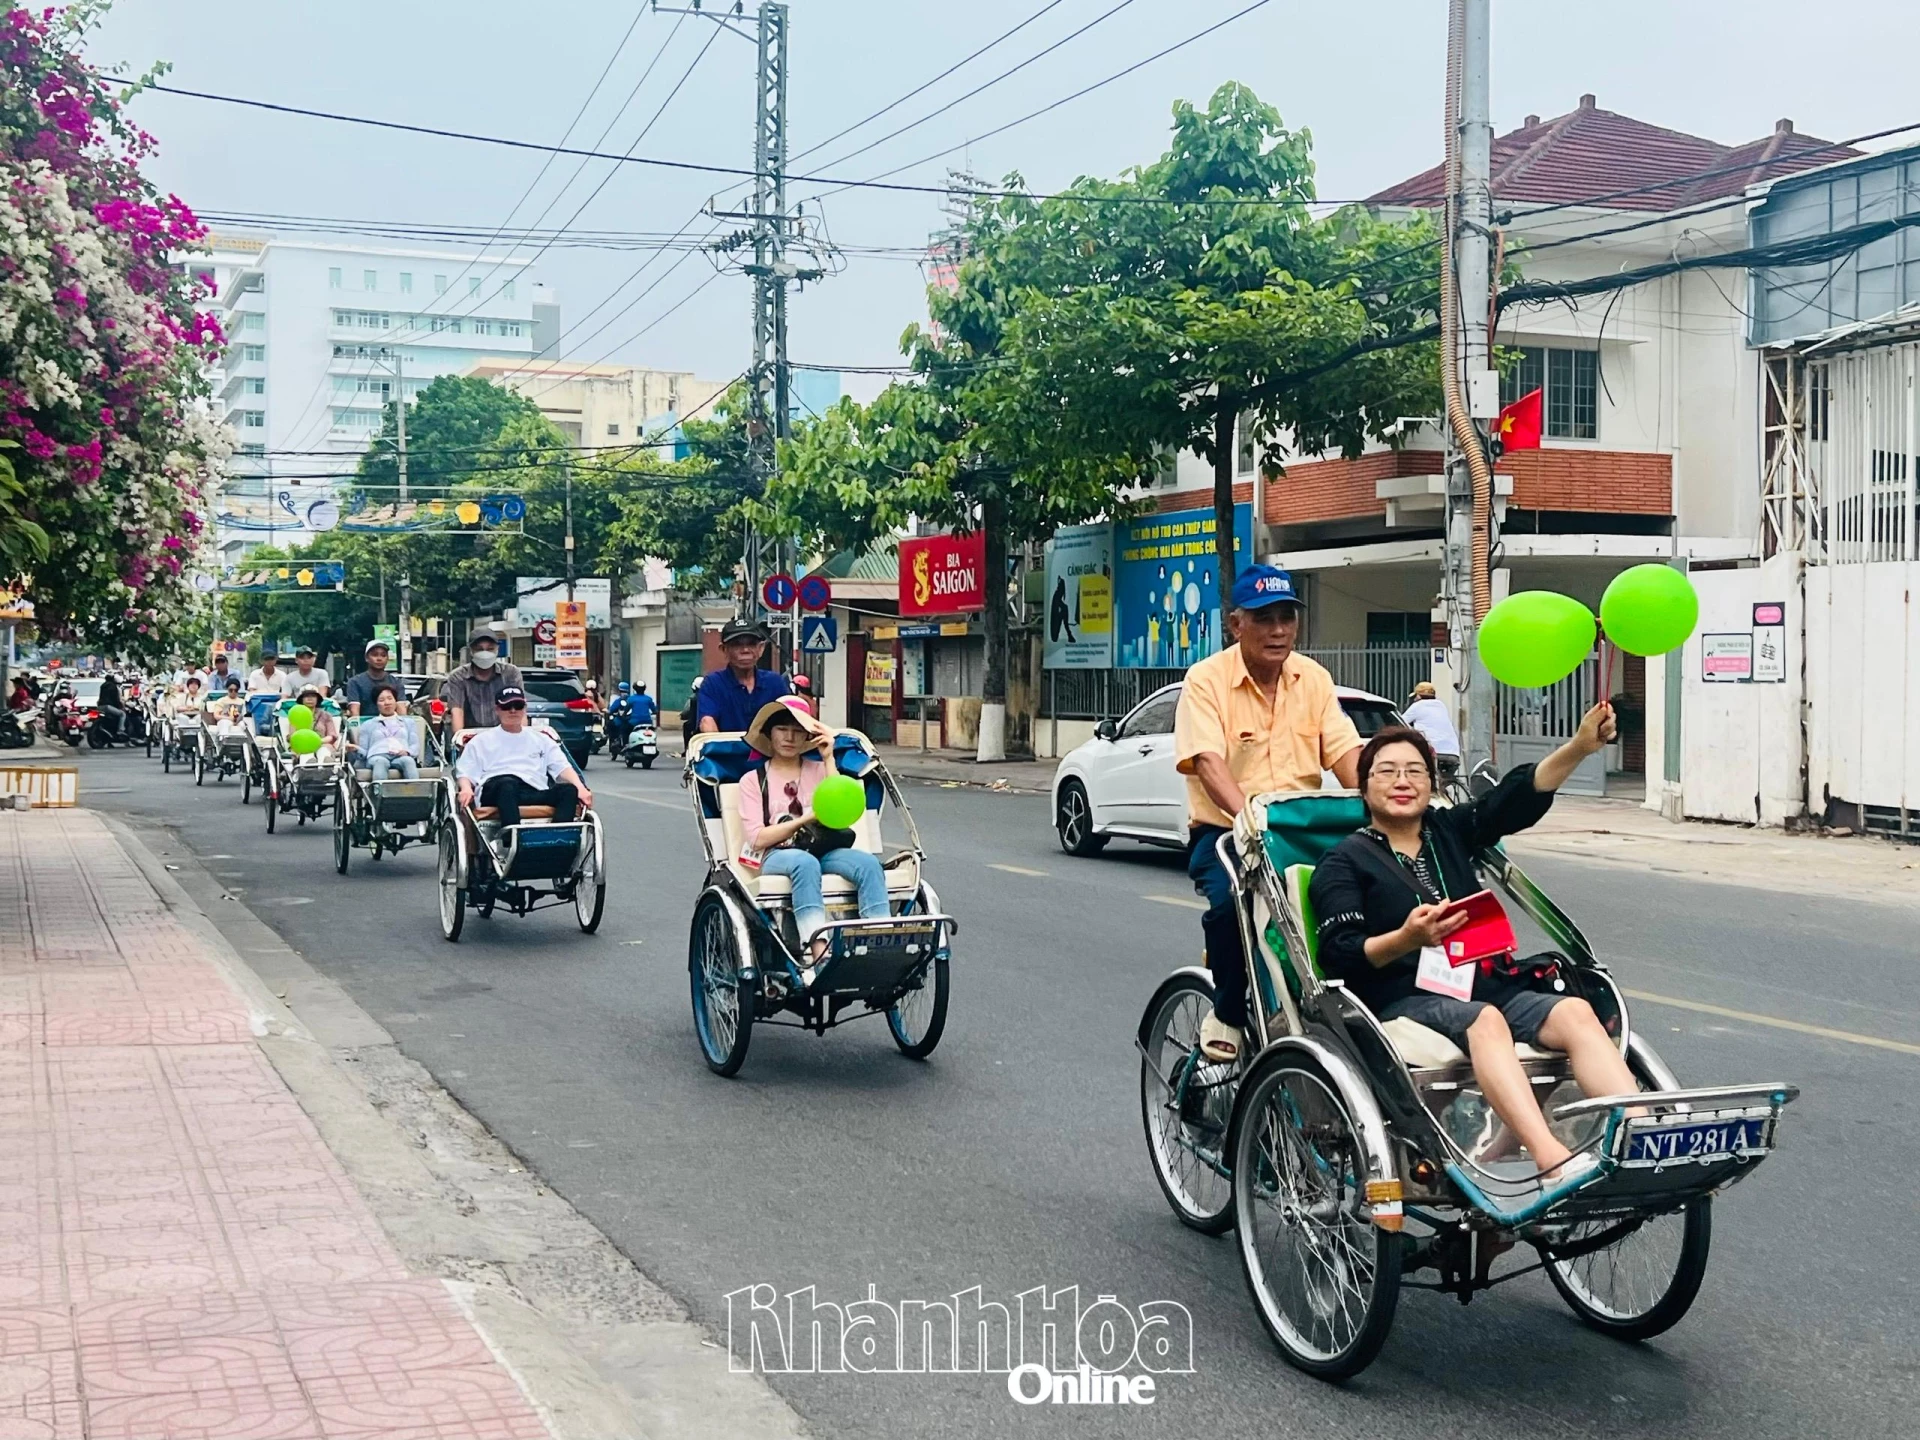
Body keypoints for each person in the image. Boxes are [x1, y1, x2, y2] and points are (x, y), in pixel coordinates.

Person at [1308, 707, 1635, 1194]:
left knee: (1575, 1012)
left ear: (1431, 784)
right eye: (1388, 772)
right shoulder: (1343, 862)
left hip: (1483, 980)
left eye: (1415, 771)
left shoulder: (1449, 833)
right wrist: (1406, 939)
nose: (1403, 781)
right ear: (1364, 787)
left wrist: (1580, 747)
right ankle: (1550, 1159)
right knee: (1484, 1019)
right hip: (1401, 997)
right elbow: (1341, 954)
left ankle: (1641, 1134)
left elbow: (1513, 800)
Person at [1173, 565, 1362, 1063]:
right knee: (1231, 903)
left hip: (1301, 831)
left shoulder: (1314, 679)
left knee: (1364, 899)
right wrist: (1248, 822)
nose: (1278, 630)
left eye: (1286, 618)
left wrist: (1389, 796)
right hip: (1227, 833)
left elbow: (1345, 755)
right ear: (1236, 625)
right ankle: (1229, 1012)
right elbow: (1209, 763)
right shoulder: (1206, 681)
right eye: (1263, 619)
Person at [736, 700, 888, 978]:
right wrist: (805, 819)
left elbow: (839, 814)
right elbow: (758, 838)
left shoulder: (818, 771)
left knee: (868, 864)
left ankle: (876, 948)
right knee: (804, 864)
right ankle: (819, 952)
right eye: (782, 729)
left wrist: (829, 758)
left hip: (822, 849)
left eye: (797, 730)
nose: (789, 737)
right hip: (778, 855)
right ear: (770, 734)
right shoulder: (753, 780)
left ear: (808, 736)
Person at [455, 686, 591, 828]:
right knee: (507, 783)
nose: (513, 710)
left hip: (532, 790)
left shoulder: (542, 739)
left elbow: (562, 768)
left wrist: (581, 788)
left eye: (518, 706)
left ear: (524, 709)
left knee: (569, 790)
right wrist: (465, 789)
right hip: (497, 790)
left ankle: (559, 838)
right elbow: (466, 772)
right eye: (507, 706)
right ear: (497, 709)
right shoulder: (480, 741)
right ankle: (512, 839)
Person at [697, 620, 791, 733]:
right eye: (737, 644)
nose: (745, 650)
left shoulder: (775, 682)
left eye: (751, 643)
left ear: (761, 649)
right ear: (724, 650)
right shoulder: (713, 683)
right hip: (726, 749)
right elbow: (707, 721)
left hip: (768, 750)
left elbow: (791, 719)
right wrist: (716, 747)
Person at [445, 624, 523, 732]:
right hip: (472, 736)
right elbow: (457, 711)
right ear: (471, 651)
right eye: (479, 649)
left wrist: (521, 738)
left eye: (490, 649)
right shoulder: (458, 677)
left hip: (504, 736)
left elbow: (519, 709)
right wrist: (460, 740)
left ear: (497, 649)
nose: (485, 653)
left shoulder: (510, 673)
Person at [352, 686, 420, 781]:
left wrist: (408, 752)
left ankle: (415, 792)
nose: (387, 703)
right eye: (381, 700)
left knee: (408, 761)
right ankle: (378, 793)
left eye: (390, 698)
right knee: (381, 762)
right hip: (377, 756)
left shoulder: (408, 722)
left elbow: (415, 744)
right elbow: (364, 750)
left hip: (401, 755)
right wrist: (355, 749)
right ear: (376, 704)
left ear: (395, 701)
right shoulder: (368, 725)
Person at [1403, 681, 1463, 782]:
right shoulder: (1441, 706)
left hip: (1434, 753)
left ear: (1418, 696)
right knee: (1443, 783)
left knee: (1423, 779)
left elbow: (1401, 723)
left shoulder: (1417, 706)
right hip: (1453, 754)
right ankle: (1443, 794)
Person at [346, 639, 406, 717]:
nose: (379, 658)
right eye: (375, 655)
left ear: (387, 659)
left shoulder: (396, 682)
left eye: (383, 655)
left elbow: (402, 711)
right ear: (366, 658)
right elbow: (354, 712)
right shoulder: (355, 682)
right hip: (365, 727)